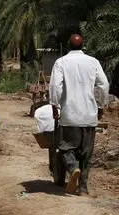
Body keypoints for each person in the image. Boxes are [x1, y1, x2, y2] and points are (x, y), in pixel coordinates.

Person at [50, 34, 109, 196]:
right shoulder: (93, 62)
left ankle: (72, 167)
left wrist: (54, 105)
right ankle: (83, 188)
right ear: (83, 46)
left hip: (70, 115)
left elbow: (55, 86)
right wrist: (101, 105)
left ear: (68, 45)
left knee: (64, 147)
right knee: (86, 154)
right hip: (89, 115)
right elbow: (104, 85)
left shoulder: (61, 62)